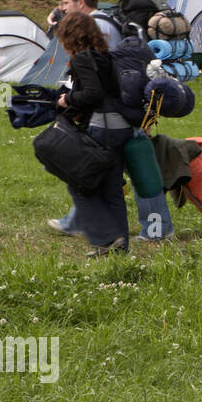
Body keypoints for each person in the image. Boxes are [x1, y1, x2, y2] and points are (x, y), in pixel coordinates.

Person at [46, 0, 174, 243]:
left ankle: (148, 231)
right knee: (116, 174)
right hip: (123, 114)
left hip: (110, 119)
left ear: (81, 3)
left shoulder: (97, 26)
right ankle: (89, 224)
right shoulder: (107, 24)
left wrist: (69, 99)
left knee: (119, 174)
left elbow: (97, 84)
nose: (63, 9)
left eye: (66, 4)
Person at [53, 13, 130, 258]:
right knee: (113, 189)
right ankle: (120, 248)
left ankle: (105, 238)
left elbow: (93, 95)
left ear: (69, 36)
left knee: (81, 186)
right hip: (121, 127)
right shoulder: (105, 57)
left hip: (101, 128)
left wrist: (67, 100)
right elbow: (114, 93)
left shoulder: (82, 59)